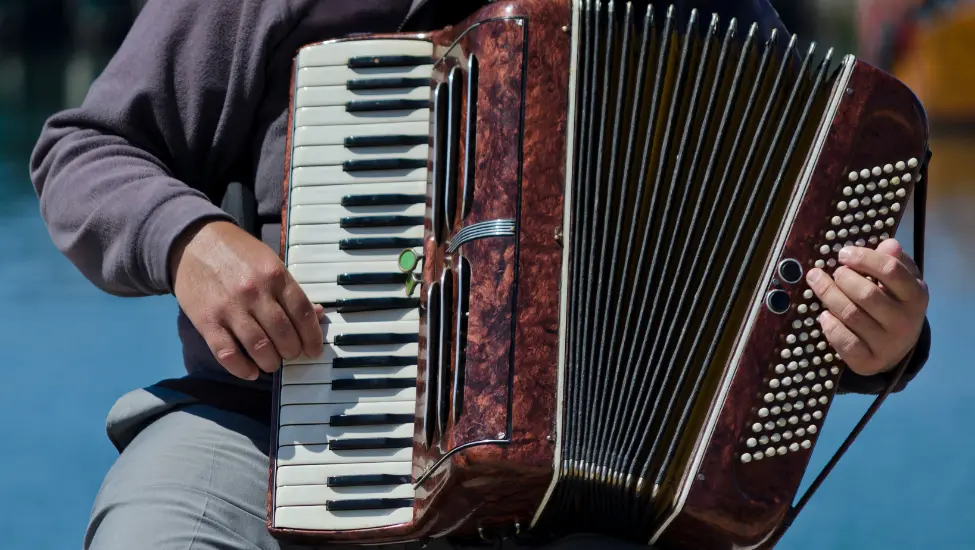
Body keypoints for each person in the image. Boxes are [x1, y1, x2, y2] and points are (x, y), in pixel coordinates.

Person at [29, 0, 932, 549]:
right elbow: (84, 150)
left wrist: (874, 341)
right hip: (270, 434)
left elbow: (792, 244)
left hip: (588, 498)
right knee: (164, 532)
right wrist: (188, 242)